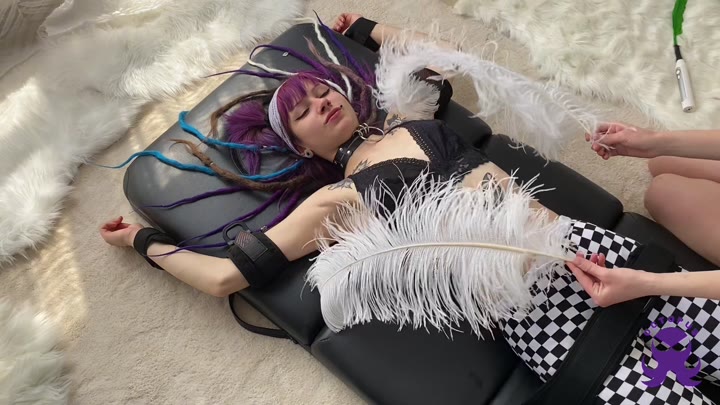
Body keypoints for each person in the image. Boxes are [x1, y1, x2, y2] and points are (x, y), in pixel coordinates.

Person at [100, 13, 720, 404]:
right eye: (302, 111)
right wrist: (143, 242)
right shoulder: (334, 202)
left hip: (592, 252)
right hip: (541, 315)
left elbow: (447, 56)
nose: (319, 103)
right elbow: (224, 277)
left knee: (708, 346)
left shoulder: (410, 116)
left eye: (321, 91)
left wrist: (368, 30)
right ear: (301, 146)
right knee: (675, 397)